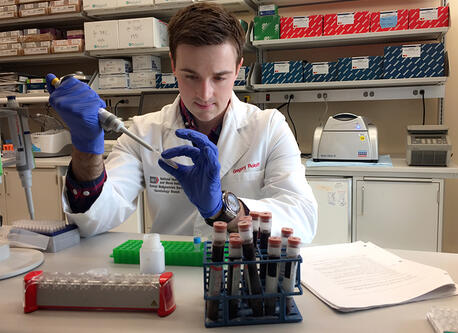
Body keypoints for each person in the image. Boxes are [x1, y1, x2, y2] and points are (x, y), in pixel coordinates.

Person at [46, 2, 318, 242]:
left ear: (238, 69)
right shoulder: (143, 131)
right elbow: (94, 220)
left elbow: (302, 219)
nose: (205, 94)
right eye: (190, 76)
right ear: (173, 65)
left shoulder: (269, 127)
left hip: (245, 277)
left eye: (220, 77)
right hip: (172, 273)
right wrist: (86, 150)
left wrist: (222, 208)